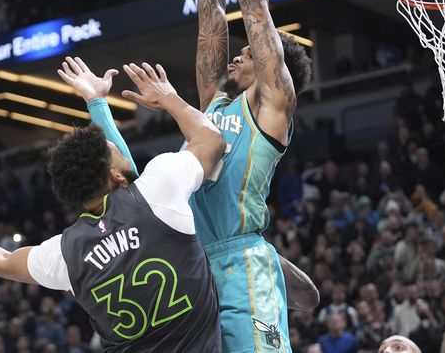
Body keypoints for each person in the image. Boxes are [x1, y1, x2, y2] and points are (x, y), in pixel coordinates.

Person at [0, 62, 226, 352]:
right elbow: (210, 140)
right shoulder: (158, 189)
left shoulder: (65, 251)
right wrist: (168, 98)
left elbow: (1, 261)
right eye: (116, 149)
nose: (119, 146)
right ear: (117, 176)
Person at [55, 54, 319, 312]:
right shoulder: (161, 182)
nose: (237, 58)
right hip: (203, 271)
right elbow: (210, 141)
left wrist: (97, 102)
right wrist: (168, 99)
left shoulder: (80, 240)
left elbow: (123, 172)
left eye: (249, 55)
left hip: (197, 281)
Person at [190, 0, 314, 351]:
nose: (240, 52)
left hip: (242, 263)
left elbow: (253, 2)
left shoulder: (271, 108)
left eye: (251, 51)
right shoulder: (215, 103)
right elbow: (210, 7)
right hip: (196, 267)